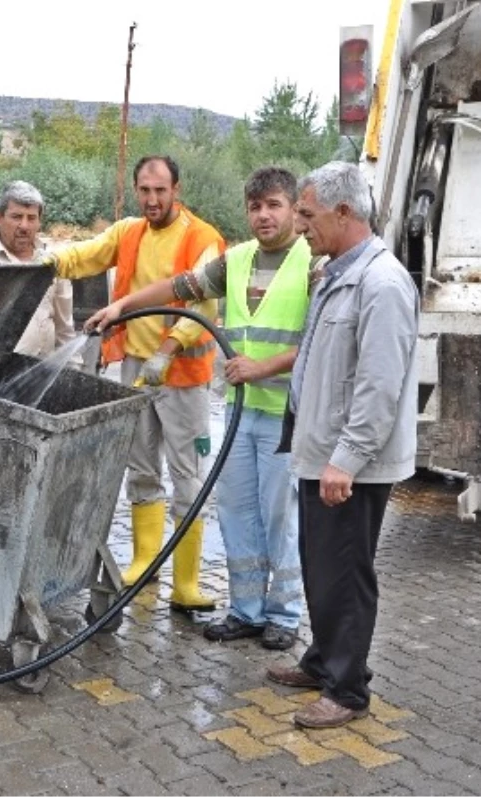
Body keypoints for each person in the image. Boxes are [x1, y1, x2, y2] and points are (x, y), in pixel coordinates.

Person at [86, 167, 313, 650]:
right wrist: (122, 305)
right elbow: (177, 288)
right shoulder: (238, 260)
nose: (264, 215)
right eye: (255, 207)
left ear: (295, 208)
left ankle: (285, 614)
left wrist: (264, 367)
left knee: (279, 517)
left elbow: (321, 337)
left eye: (274, 205)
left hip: (286, 415)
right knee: (236, 511)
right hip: (239, 410)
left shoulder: (314, 262)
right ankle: (247, 609)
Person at [265, 161, 419, 729]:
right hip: (321, 454)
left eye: (307, 213)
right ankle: (322, 659)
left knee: (346, 575)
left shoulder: (382, 284)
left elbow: (380, 387)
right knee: (320, 568)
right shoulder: (336, 272)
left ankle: (348, 690)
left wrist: (345, 460)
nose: (299, 224)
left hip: (348, 465)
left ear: (344, 212)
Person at [46, 155, 224, 613]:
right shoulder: (129, 232)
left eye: (160, 191)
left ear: (177, 189)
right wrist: (47, 264)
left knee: (187, 474)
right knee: (141, 467)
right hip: (134, 369)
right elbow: (87, 254)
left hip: (183, 374)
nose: (152, 200)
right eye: (144, 191)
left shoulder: (202, 238)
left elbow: (204, 303)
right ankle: (146, 562)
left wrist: (170, 348)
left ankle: (186, 582)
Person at [0, 180, 76, 360]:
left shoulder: (53, 263)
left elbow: (65, 330)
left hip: (41, 373)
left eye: (31, 218)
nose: (24, 226)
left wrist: (73, 371)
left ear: (39, 222)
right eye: (16, 217)